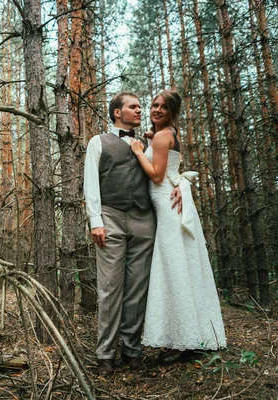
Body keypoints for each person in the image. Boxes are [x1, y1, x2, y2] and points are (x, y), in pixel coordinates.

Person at [84, 91, 182, 376]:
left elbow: (165, 168)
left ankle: (131, 351)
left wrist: (179, 185)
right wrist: (95, 220)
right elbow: (91, 183)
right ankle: (105, 355)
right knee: (109, 289)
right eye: (134, 106)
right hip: (111, 219)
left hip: (144, 220)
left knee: (137, 290)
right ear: (117, 112)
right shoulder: (98, 142)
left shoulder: (149, 141)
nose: (141, 110)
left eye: (142, 106)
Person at [130, 90, 227, 362]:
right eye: (154, 104)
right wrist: (150, 140)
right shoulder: (167, 133)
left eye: (164, 107)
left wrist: (139, 151)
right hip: (172, 206)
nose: (156, 109)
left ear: (173, 112)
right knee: (184, 266)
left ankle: (183, 340)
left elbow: (158, 176)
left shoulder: (163, 135)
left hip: (168, 207)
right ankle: (194, 334)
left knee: (174, 269)